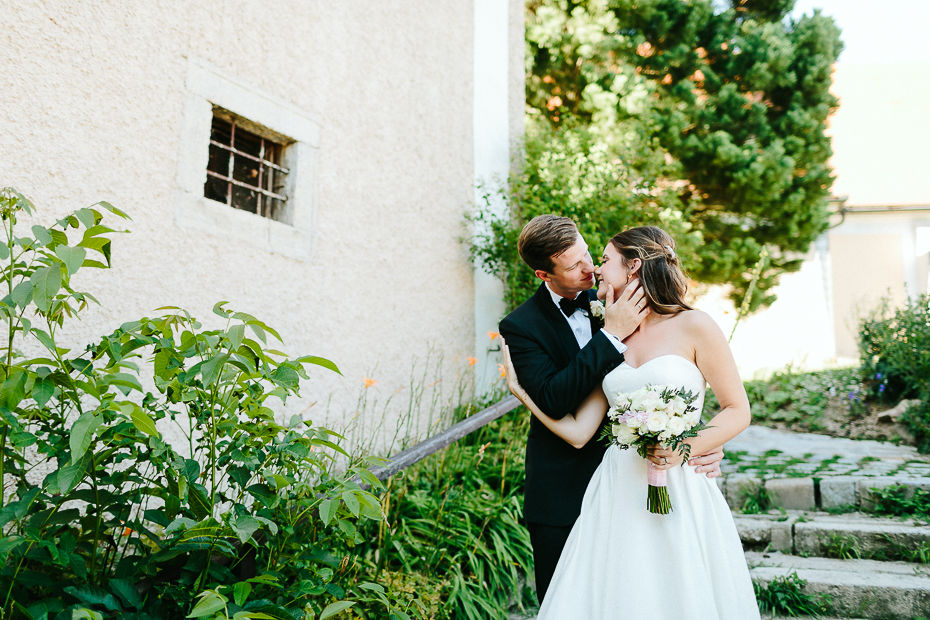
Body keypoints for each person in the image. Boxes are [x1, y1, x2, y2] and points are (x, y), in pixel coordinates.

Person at [504, 225, 759, 619]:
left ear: (635, 266)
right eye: (582, 263)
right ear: (545, 273)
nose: (595, 270)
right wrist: (523, 394)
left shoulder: (694, 325)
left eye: (600, 258)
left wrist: (694, 443)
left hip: (679, 486)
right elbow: (576, 430)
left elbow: (735, 408)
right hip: (612, 487)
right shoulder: (609, 335)